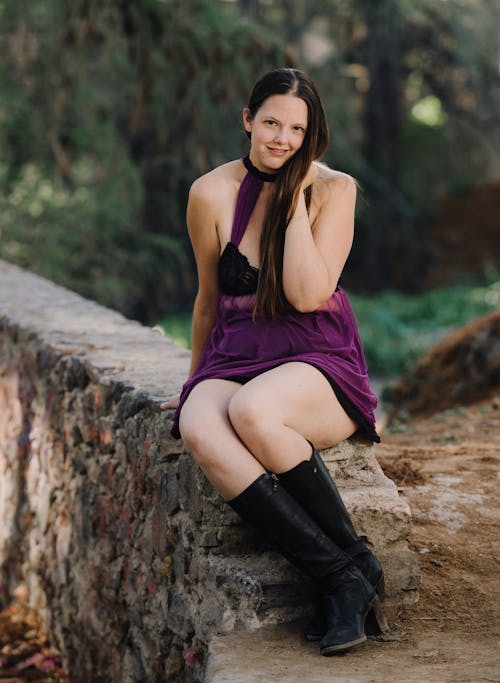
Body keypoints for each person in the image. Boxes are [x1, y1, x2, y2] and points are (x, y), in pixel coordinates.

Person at [161, 67, 387, 656]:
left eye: (297, 129)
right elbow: (209, 299)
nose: (282, 139)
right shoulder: (210, 192)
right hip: (235, 352)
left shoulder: (334, 190)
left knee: (255, 410)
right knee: (199, 423)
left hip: (318, 360)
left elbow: (309, 295)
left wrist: (290, 197)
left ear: (312, 135)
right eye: (270, 123)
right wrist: (192, 381)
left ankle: (351, 569)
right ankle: (344, 573)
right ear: (247, 120)